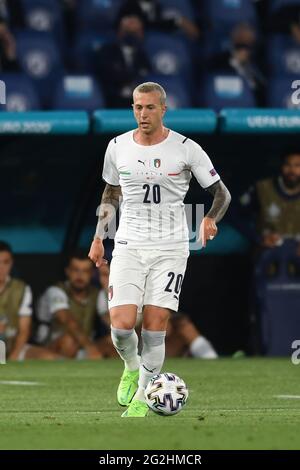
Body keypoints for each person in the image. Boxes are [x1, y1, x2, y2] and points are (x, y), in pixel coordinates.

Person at [88, 81, 231, 417]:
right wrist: (98, 237)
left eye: (149, 107)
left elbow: (222, 194)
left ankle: (140, 400)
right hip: (128, 245)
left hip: (170, 248)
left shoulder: (186, 148)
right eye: (137, 107)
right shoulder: (118, 146)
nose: (142, 114)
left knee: (155, 325)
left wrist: (210, 219)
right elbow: (111, 194)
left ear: (163, 109)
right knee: (122, 326)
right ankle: (132, 367)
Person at [35, 250, 105, 359]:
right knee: (69, 341)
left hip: (86, 346)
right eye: (75, 270)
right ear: (67, 271)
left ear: (91, 274)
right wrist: (89, 347)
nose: (80, 276)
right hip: (52, 347)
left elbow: (110, 319)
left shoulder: (96, 293)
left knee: (114, 342)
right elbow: (67, 320)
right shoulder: (56, 290)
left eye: (85, 271)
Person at [0, 241, 57, 360]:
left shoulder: (21, 289)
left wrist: (14, 356)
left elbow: (24, 330)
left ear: (11, 263)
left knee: (48, 357)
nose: (1, 267)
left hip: (13, 345)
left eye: (5, 262)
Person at [238, 149, 300, 249]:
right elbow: (236, 214)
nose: (292, 170)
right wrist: (258, 238)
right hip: (267, 255)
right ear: (281, 166)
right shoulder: (262, 188)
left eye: (297, 165)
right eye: (288, 165)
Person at [95, 13, 151, 108]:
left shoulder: (143, 55)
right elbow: (107, 77)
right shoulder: (106, 52)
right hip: (113, 103)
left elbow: (147, 76)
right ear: (119, 32)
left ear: (142, 34)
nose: (132, 36)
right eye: (128, 32)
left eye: (135, 32)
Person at [209, 23, 266, 107]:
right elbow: (211, 71)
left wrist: (247, 66)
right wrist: (235, 61)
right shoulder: (221, 58)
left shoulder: (259, 60)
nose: (243, 36)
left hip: (251, 106)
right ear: (232, 35)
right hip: (224, 102)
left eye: (247, 32)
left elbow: (262, 88)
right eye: (240, 32)